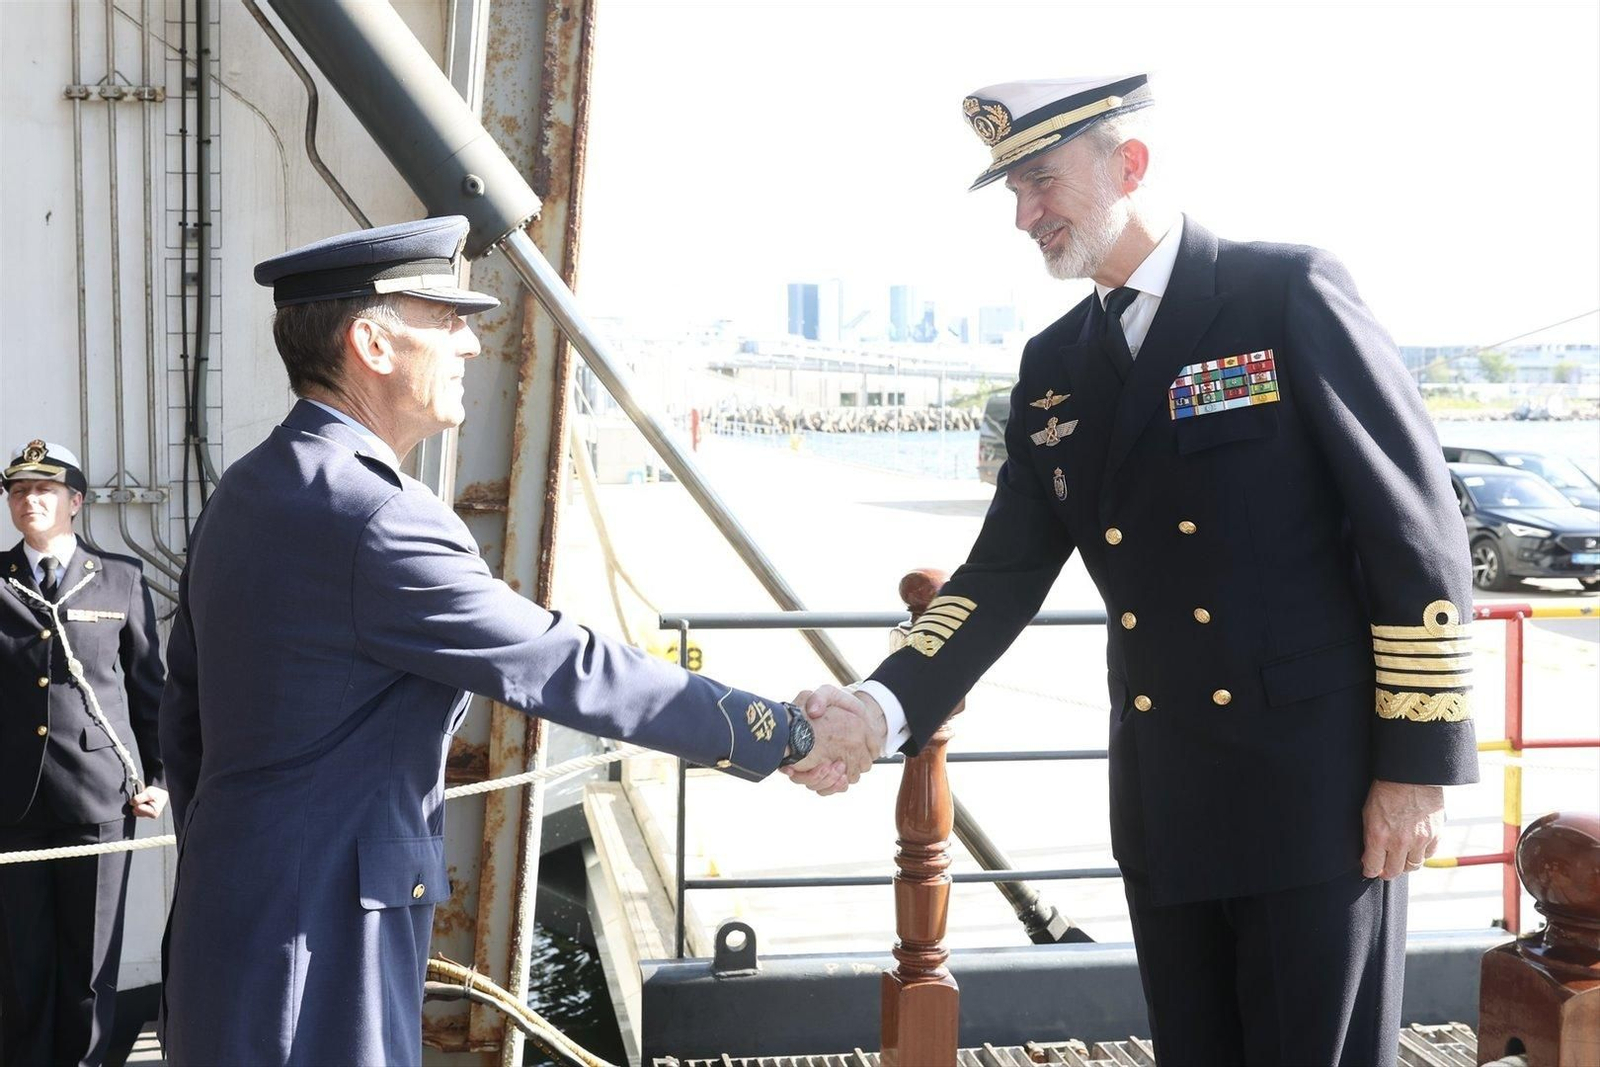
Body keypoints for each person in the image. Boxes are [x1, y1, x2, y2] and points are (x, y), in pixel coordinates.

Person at [788, 74, 1479, 1065]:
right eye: (1012, 193)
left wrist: (1415, 764)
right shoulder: (1055, 365)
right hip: (1166, 796)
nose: (1024, 216)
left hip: (1315, 797)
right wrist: (877, 706)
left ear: (1130, 164)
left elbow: (1415, 531)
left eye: (1041, 182)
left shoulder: (1281, 291)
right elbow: (1000, 573)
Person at [155, 215, 875, 1066]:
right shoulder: (377, 516)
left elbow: (186, 720)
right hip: (320, 949)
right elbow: (566, 666)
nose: (470, 342)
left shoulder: (248, 489)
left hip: (228, 918)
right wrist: (783, 732)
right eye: (445, 319)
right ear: (371, 345)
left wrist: (240, 863)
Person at [1, 440, 168, 1066]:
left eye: (44, 489)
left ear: (75, 501)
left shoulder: (120, 577)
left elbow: (149, 688)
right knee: (19, 963)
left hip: (99, 796)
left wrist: (160, 777)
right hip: (10, 801)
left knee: (91, 963)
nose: (29, 499)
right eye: (18, 490)